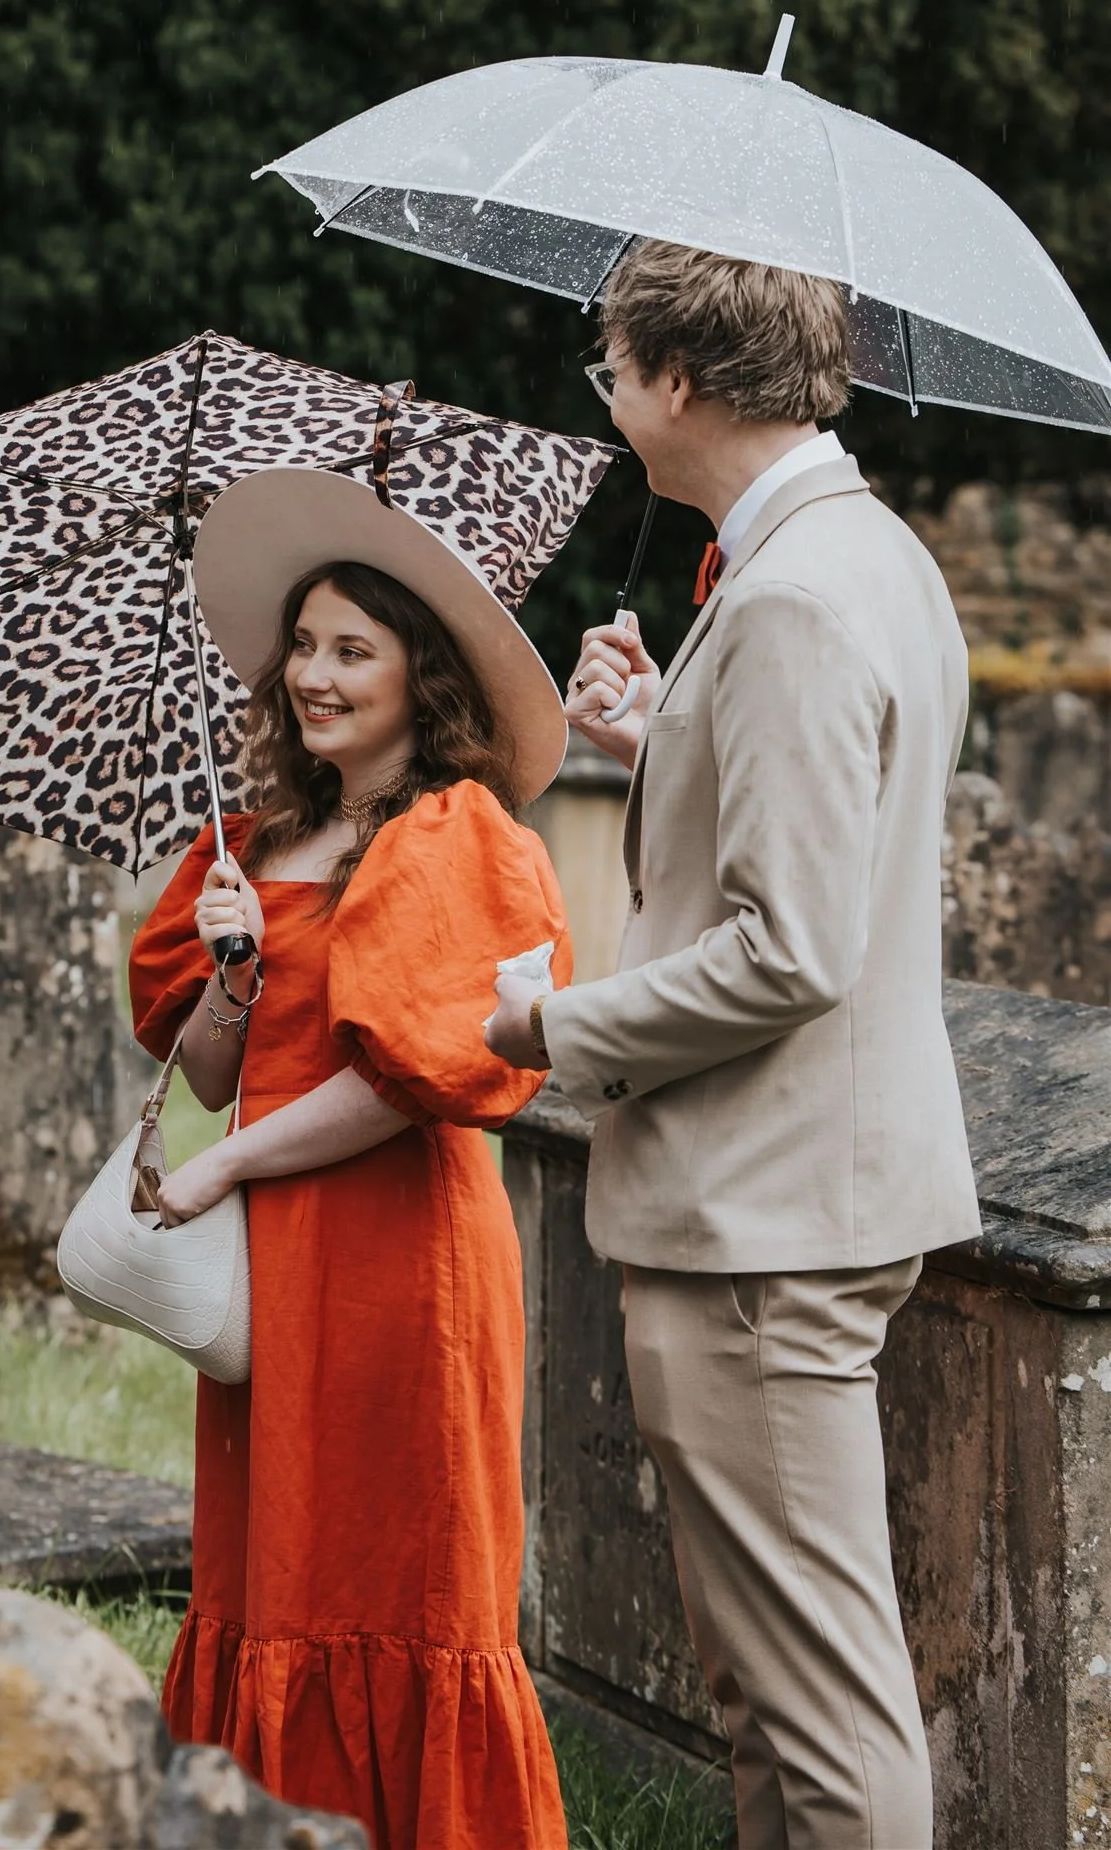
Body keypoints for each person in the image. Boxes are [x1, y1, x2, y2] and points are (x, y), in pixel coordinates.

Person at [486, 240, 981, 1850]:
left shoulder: (796, 600)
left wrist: (547, 1024)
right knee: (765, 1697)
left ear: (680, 380)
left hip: (763, 1221)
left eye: (611, 366)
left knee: (824, 1716)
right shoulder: (860, 555)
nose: (608, 394)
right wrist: (660, 739)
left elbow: (793, 949)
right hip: (788, 1200)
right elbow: (819, 836)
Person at [128, 466, 573, 1850]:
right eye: (304, 647)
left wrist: (224, 1174)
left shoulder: (459, 834)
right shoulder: (254, 844)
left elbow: (417, 1087)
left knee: (413, 1578)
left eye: (351, 651)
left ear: (414, 676)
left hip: (405, 1260)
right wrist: (232, 970)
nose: (314, 676)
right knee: (278, 1569)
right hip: (286, 1264)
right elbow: (211, 1075)